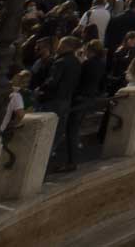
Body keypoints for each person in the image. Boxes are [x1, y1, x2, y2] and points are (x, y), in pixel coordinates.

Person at [42, 37, 84, 172]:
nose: (58, 47)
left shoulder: (61, 62)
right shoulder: (76, 62)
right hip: (66, 99)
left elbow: (52, 82)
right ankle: (47, 156)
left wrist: (40, 89)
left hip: (54, 99)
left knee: (47, 129)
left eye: (60, 44)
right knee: (58, 130)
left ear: (66, 46)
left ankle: (42, 157)